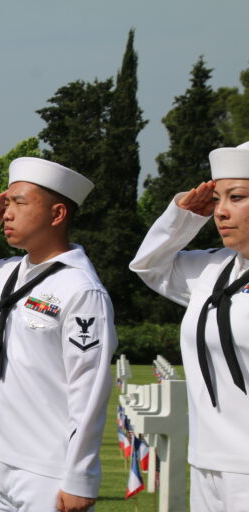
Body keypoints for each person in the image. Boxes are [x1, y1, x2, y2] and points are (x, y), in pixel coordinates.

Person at [0, 157, 117, 512]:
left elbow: (89, 389)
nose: (7, 214)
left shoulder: (80, 289)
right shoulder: (6, 275)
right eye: (6, 204)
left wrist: (79, 477)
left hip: (49, 467)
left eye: (19, 203)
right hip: (1, 461)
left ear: (57, 214)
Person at [130, 142, 249, 510]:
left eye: (237, 197)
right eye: (216, 199)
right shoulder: (214, 268)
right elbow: (149, 266)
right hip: (206, 460)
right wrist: (182, 218)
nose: (221, 212)